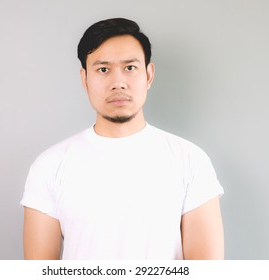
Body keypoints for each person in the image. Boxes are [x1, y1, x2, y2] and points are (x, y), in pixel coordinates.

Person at [21, 18, 224, 260]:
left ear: (148, 75)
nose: (118, 83)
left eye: (130, 68)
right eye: (103, 70)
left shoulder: (190, 160)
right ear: (85, 79)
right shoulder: (50, 166)